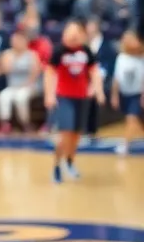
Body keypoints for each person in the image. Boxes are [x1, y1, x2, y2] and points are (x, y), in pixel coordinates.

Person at [45, 21, 105, 183]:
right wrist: (49, 95)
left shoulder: (86, 51)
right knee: (65, 133)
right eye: (69, 32)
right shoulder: (59, 52)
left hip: (82, 97)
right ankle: (57, 166)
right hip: (64, 97)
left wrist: (98, 90)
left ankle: (70, 161)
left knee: (76, 134)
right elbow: (49, 73)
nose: (73, 36)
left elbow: (94, 71)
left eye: (76, 33)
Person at [110, 30, 143, 156]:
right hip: (125, 93)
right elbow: (117, 78)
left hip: (137, 94)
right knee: (136, 120)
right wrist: (114, 95)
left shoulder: (141, 58)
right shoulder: (121, 57)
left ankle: (125, 145)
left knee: (131, 118)